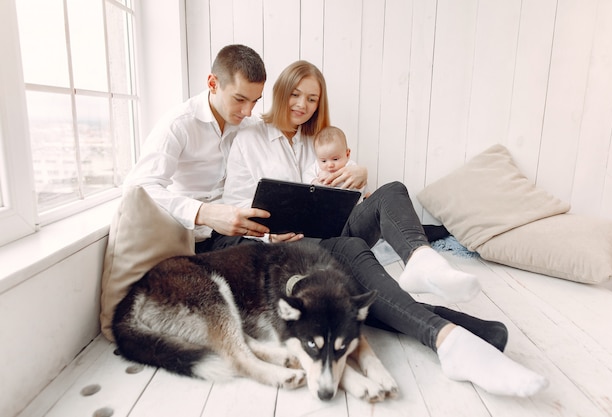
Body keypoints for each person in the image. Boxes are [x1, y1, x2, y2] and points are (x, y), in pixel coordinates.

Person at [223, 60, 548, 397]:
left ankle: (421, 259)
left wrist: (357, 176)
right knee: (354, 258)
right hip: (290, 252)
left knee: (391, 190)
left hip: (330, 233)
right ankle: (454, 333)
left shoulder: (318, 139)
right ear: (279, 92)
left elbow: (341, 195)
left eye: (312, 99)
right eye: (295, 94)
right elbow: (233, 210)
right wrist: (266, 234)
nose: (302, 106)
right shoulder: (250, 136)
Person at [123, 44, 273, 253]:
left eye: (254, 101)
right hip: (186, 238)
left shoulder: (249, 125)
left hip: (234, 236)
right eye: (239, 99)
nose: (248, 111)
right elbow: (138, 187)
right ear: (213, 83)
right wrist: (204, 213)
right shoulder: (178, 124)